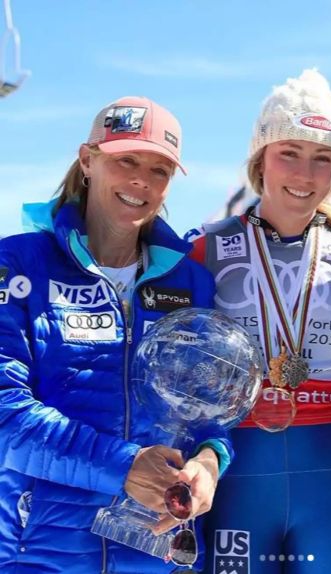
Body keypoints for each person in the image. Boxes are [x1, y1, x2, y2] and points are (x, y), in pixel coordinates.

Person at [0, 96, 230, 573]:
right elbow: (5, 413)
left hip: (157, 554)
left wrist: (210, 460)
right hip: (38, 554)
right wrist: (121, 464)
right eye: (126, 159)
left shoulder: (190, 283)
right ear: (88, 160)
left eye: (160, 169)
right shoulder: (16, 265)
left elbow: (208, 408)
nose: (141, 180)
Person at [187, 69, 331, 574]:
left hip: (329, 474)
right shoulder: (204, 249)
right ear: (259, 160)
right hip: (237, 468)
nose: (305, 175)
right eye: (289, 153)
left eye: (323, 159)